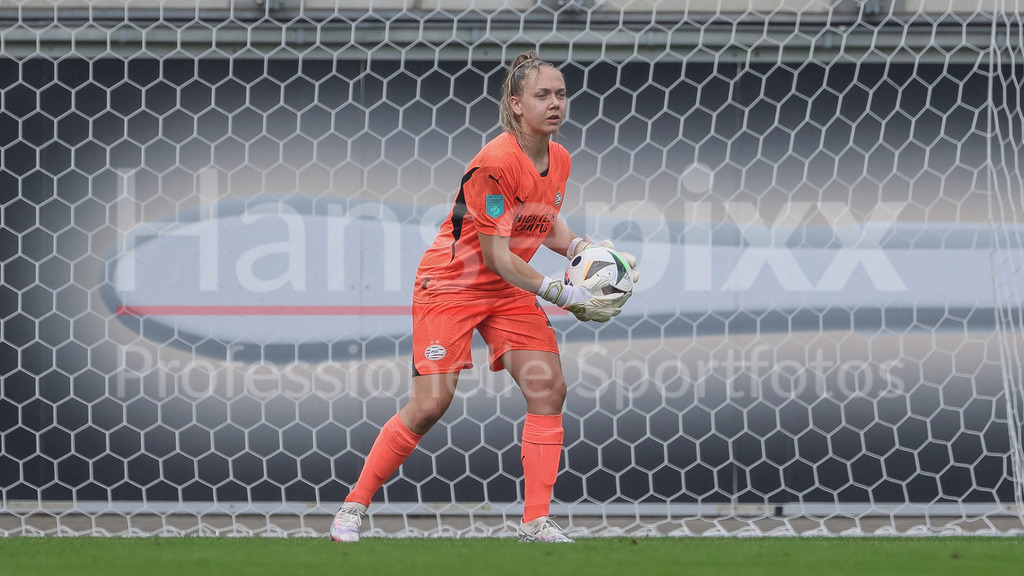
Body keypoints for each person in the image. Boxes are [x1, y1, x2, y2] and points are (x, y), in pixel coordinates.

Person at [329, 51, 638, 543]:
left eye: (561, 94)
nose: (555, 103)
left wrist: (579, 245)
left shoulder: (559, 157)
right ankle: (352, 507)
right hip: (452, 285)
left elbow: (538, 216)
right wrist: (561, 291)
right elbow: (495, 255)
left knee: (548, 387)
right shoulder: (495, 162)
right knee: (431, 404)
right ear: (516, 105)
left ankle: (536, 521)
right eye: (543, 95)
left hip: (509, 290)